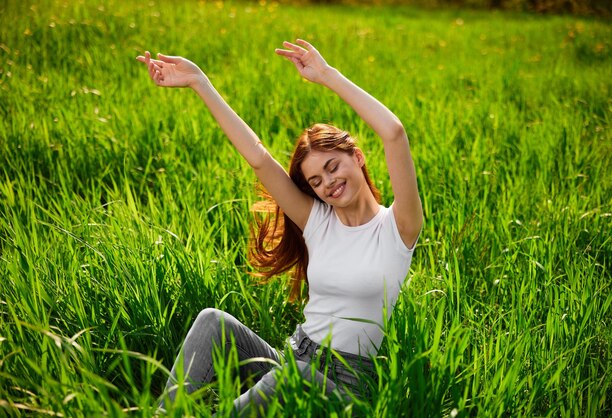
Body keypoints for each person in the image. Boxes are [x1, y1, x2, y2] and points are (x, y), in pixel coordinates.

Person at [136, 39, 423, 415]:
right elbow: (258, 157)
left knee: (291, 378)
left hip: (346, 386)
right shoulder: (317, 221)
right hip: (293, 356)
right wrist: (200, 83)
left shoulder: (399, 228)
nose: (328, 184)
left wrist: (328, 76)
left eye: (333, 167)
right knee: (213, 322)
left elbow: (395, 133)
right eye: (317, 181)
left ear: (357, 156)